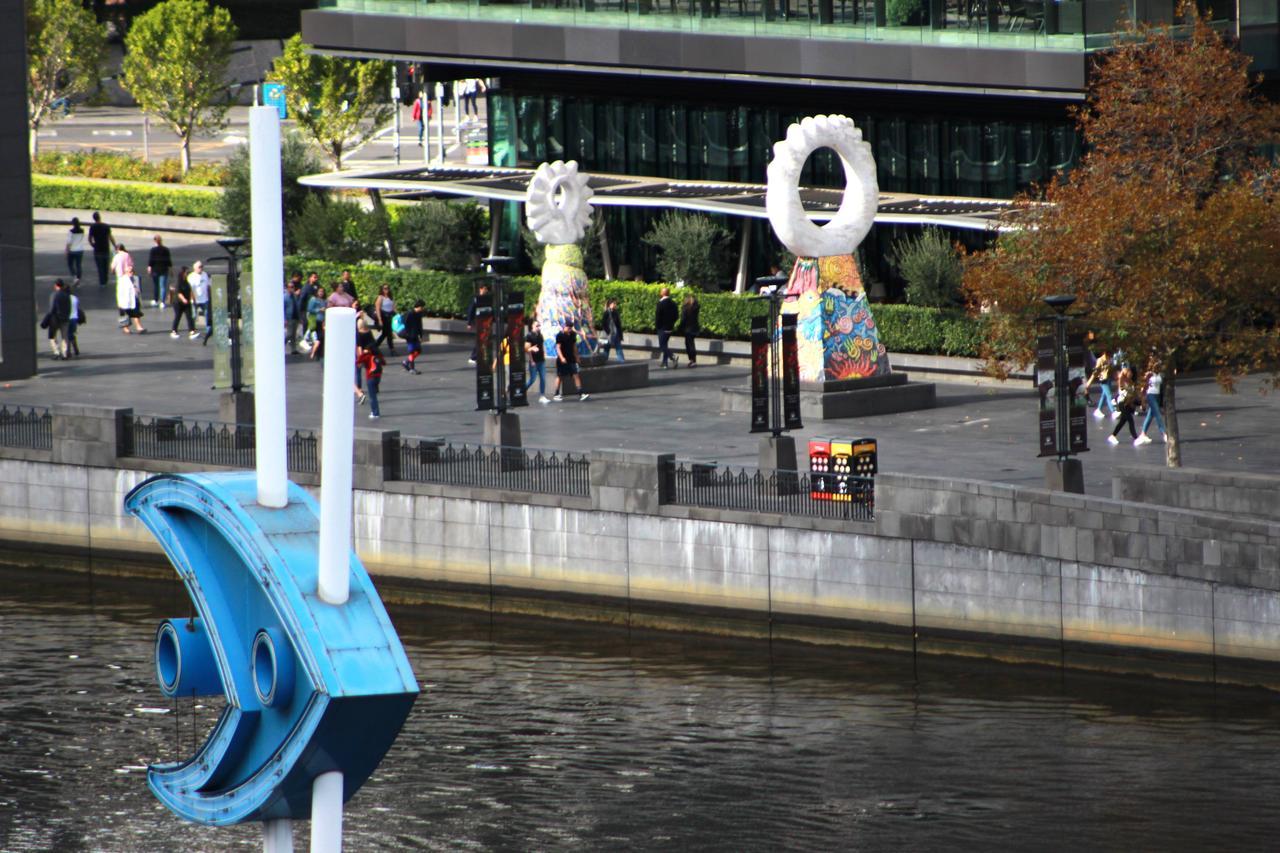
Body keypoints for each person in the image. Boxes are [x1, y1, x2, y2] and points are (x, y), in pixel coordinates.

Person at [553, 320, 589, 402]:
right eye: (568, 328)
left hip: (571, 358)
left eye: (570, 328)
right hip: (562, 359)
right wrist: (562, 357)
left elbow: (574, 346)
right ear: (564, 327)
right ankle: (556, 394)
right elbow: (558, 347)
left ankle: (581, 393)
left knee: (575, 375)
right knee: (560, 376)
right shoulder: (560, 335)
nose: (569, 329)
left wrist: (577, 357)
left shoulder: (573, 334)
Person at [1136, 360, 1167, 446]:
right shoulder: (1149, 375)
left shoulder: (1160, 375)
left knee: (1150, 415)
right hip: (1151, 395)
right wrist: (1143, 401)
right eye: (1156, 367)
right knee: (1158, 414)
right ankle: (1164, 433)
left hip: (1157, 396)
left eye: (1159, 367)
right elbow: (1144, 388)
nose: (1158, 368)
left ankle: (1143, 434)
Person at [1107, 368, 1140, 445]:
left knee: (1122, 421)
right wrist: (1123, 372)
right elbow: (1121, 377)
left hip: (1128, 403)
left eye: (1131, 373)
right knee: (1130, 420)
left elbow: (1133, 393)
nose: (1130, 374)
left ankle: (1113, 436)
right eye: (1129, 373)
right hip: (1122, 403)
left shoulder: (1132, 382)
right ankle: (1136, 438)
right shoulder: (1122, 380)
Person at [44, 279, 73, 359]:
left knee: (52, 336)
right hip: (65, 318)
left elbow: (51, 308)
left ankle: (56, 352)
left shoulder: (54, 295)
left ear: (56, 285)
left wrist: (48, 318)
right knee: (65, 336)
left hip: (55, 319)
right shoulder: (66, 295)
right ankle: (65, 353)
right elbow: (69, 307)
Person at [357, 342, 386, 419]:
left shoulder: (367, 356)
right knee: (374, 394)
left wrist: (363, 354)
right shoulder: (378, 355)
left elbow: (358, 361)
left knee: (372, 397)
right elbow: (384, 363)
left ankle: (375, 413)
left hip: (370, 377)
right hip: (378, 377)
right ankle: (374, 411)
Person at [116, 262, 146, 334]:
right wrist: (119, 301)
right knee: (125, 314)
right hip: (125, 299)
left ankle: (139, 327)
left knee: (136, 313)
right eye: (129, 272)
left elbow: (139, 288)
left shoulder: (136, 278)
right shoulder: (122, 280)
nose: (131, 273)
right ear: (125, 272)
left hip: (134, 298)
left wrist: (137, 291)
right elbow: (119, 291)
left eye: (132, 271)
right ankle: (125, 327)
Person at [524, 318, 549, 403]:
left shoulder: (540, 335)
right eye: (537, 325)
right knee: (532, 379)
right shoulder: (529, 336)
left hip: (541, 360)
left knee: (543, 378)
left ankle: (542, 396)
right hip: (534, 361)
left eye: (539, 325)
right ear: (532, 326)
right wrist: (532, 360)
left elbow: (542, 345)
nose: (538, 327)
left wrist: (544, 354)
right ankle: (522, 391)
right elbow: (527, 349)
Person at [87, 211, 114, 288]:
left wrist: (93, 245)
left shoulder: (92, 227)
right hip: (106, 248)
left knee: (100, 267)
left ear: (94, 218)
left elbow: (90, 238)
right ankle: (105, 279)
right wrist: (115, 245)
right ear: (100, 217)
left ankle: (102, 282)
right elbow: (110, 237)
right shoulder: (106, 226)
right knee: (106, 266)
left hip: (97, 250)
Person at [1088, 350, 1116, 420]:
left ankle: (1098, 410)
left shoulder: (1110, 359)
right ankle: (1113, 411)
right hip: (1103, 380)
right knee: (1109, 395)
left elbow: (1111, 369)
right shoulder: (1100, 360)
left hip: (1108, 379)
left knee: (1104, 395)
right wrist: (1089, 382)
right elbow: (1096, 371)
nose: (1110, 355)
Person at [655, 286, 679, 368]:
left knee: (662, 345)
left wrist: (658, 326)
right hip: (670, 327)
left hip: (662, 328)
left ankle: (672, 357)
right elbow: (676, 316)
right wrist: (671, 323)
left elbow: (658, 316)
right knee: (665, 344)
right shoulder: (673, 303)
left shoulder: (660, 303)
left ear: (662, 293)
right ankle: (665, 363)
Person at [188, 261, 212, 343]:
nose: (201, 268)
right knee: (194, 316)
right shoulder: (191, 277)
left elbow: (208, 286)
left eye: (202, 266)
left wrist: (209, 296)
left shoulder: (205, 274)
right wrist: (192, 299)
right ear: (195, 268)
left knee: (207, 315)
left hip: (204, 299)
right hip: (195, 300)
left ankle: (208, 330)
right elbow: (190, 289)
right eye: (199, 267)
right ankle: (192, 330)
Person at [170, 265, 196, 338]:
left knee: (189, 316)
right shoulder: (179, 282)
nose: (187, 274)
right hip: (178, 303)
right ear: (183, 273)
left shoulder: (186, 281)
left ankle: (192, 331)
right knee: (178, 316)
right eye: (186, 272)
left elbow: (190, 290)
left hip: (186, 302)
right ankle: (174, 331)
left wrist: (191, 298)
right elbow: (178, 292)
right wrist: (183, 299)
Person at [400, 299, 425, 374]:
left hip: (415, 335)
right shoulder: (409, 313)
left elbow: (420, 325)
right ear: (419, 306)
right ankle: (412, 368)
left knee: (418, 350)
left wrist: (421, 335)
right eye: (422, 307)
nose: (423, 308)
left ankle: (405, 362)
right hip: (409, 336)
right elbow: (403, 321)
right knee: (412, 351)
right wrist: (407, 333)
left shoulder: (419, 314)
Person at [465, 283, 488, 364]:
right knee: (480, 339)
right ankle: (473, 357)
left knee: (483, 339)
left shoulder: (485, 298)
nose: (486, 291)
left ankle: (479, 356)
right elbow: (471, 310)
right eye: (485, 289)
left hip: (484, 321)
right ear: (480, 289)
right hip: (477, 321)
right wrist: (469, 323)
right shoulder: (476, 299)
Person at [147, 235, 172, 308]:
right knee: (163, 286)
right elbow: (168, 261)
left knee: (156, 286)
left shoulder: (153, 250)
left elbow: (151, 260)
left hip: (155, 270)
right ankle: (162, 302)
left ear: (155, 241)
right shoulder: (166, 250)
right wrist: (171, 270)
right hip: (164, 269)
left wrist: (149, 268)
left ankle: (156, 300)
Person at [676, 293, 700, 368]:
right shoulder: (696, 308)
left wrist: (679, 328)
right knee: (691, 344)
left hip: (687, 329)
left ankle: (692, 360)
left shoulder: (685, 308)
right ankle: (693, 360)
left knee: (689, 345)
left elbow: (683, 319)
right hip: (694, 328)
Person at [284, 279, 305, 354]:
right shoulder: (285, 297)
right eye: (290, 287)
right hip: (289, 318)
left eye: (292, 287)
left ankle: (293, 349)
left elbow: (297, 307)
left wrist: (299, 318)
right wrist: (284, 319)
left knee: (293, 334)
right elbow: (283, 309)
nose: (291, 288)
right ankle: (281, 345)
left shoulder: (294, 296)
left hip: (295, 317)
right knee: (289, 334)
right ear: (287, 288)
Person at [374, 284, 397, 355]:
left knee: (385, 334)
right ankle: (392, 349)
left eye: (387, 288)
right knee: (388, 333)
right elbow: (377, 309)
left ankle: (374, 346)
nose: (386, 290)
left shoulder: (390, 297)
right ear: (382, 289)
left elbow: (393, 307)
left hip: (390, 316)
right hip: (384, 317)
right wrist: (380, 319)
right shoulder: (380, 297)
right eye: (385, 288)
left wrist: (396, 315)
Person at [65, 218, 85, 284]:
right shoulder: (82, 230)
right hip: (80, 249)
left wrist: (66, 250)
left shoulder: (71, 231)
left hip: (72, 250)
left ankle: (74, 276)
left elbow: (69, 242)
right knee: (78, 265)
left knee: (70, 264)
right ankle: (78, 278)